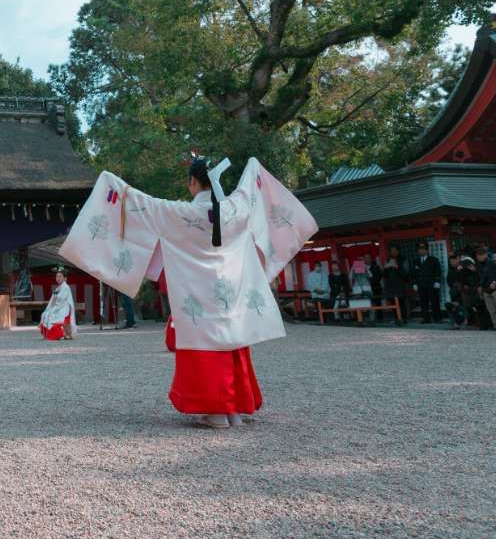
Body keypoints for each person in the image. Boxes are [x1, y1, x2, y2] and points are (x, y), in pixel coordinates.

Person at [60, 155, 317, 429]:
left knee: (207, 350)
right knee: (232, 345)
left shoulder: (180, 213)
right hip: (232, 297)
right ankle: (234, 412)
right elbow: (251, 181)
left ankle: (216, 413)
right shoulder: (236, 207)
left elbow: (144, 206)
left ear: (193, 181)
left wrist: (114, 185)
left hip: (198, 299)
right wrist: (252, 164)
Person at [474, 247, 496, 330]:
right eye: (478, 255)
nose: (479, 257)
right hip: (485, 288)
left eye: (481, 255)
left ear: (485, 255)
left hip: (495, 288)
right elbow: (481, 277)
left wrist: (495, 281)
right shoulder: (478, 265)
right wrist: (480, 285)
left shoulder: (493, 262)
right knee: (491, 309)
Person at [39, 269, 76, 340]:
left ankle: (62, 333)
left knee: (53, 314)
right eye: (57, 277)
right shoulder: (58, 288)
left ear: (65, 278)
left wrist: (54, 307)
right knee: (45, 314)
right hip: (59, 306)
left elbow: (61, 299)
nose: (58, 278)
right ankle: (61, 333)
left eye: (60, 277)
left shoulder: (66, 287)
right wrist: (50, 307)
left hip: (64, 307)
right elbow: (52, 300)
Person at [410, 242, 443, 323]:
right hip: (421, 284)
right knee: (423, 302)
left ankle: (437, 318)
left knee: (434, 301)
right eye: (419, 250)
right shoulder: (416, 261)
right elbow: (413, 273)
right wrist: (414, 283)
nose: (421, 251)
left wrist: (437, 281)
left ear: (427, 250)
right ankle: (426, 318)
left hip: (432, 284)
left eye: (423, 249)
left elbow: (438, 271)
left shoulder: (434, 260)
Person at [382, 258, 407, 324]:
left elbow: (404, 276)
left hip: (399, 289)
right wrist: (385, 268)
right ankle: (397, 318)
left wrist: (397, 267)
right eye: (390, 262)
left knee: (401, 305)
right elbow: (384, 276)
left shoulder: (399, 268)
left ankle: (404, 318)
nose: (392, 263)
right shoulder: (387, 269)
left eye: (393, 262)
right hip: (391, 290)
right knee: (393, 305)